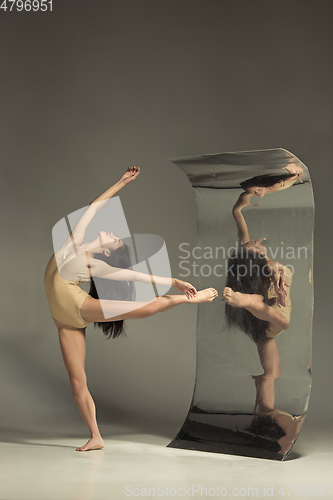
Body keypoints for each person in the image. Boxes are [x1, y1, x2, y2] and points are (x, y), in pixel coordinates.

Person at [44, 166, 218, 451]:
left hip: (78, 308)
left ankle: (191, 300)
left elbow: (134, 276)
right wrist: (121, 183)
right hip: (63, 321)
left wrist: (173, 281)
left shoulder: (98, 264)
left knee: (146, 307)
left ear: (109, 252)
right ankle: (96, 437)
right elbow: (94, 207)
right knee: (77, 383)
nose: (113, 234)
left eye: (114, 240)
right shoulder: (73, 241)